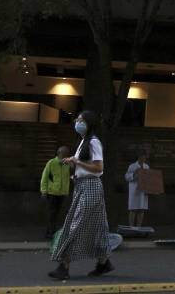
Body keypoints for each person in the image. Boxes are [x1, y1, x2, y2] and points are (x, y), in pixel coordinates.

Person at [49, 110, 113, 280]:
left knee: (76, 225)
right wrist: (74, 165)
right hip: (82, 187)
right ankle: (103, 262)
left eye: (81, 120)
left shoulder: (93, 142)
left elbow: (99, 168)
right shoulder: (84, 141)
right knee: (97, 227)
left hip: (91, 187)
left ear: (89, 123)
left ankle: (64, 265)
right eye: (77, 119)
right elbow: (86, 165)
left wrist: (77, 162)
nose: (77, 122)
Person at [40, 145, 72, 239]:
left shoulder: (67, 164)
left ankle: (50, 232)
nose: (66, 155)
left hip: (62, 193)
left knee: (55, 213)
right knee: (52, 213)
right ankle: (50, 233)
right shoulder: (51, 163)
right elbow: (44, 177)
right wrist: (43, 191)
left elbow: (70, 176)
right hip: (52, 193)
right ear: (59, 154)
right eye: (64, 154)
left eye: (67, 154)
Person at [125, 150, 150, 228]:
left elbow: (149, 178)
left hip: (143, 190)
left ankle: (139, 227)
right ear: (139, 157)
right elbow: (126, 176)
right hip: (134, 189)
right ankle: (131, 227)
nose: (144, 158)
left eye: (145, 157)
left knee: (141, 209)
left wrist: (149, 188)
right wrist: (134, 176)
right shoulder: (132, 166)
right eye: (142, 156)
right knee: (133, 209)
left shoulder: (147, 166)